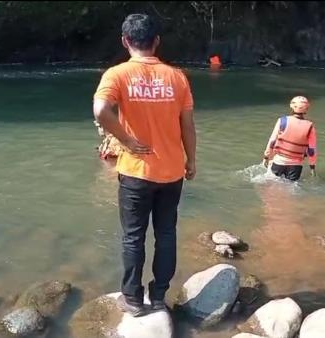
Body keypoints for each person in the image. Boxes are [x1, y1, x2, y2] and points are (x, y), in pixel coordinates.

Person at [93, 13, 196, 317]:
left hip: (136, 172)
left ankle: (133, 300)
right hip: (172, 171)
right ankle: (160, 297)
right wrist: (192, 160)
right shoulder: (177, 77)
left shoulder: (117, 74)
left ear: (126, 41)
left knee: (133, 236)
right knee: (166, 234)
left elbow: (100, 110)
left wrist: (125, 138)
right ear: (157, 41)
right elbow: (188, 126)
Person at [262, 96, 317, 181]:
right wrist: (312, 166)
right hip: (296, 166)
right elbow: (311, 150)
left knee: (272, 185)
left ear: (291, 106)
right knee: (291, 188)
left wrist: (266, 156)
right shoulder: (310, 126)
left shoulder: (282, 121)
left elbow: (272, 141)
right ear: (306, 109)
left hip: (279, 161)